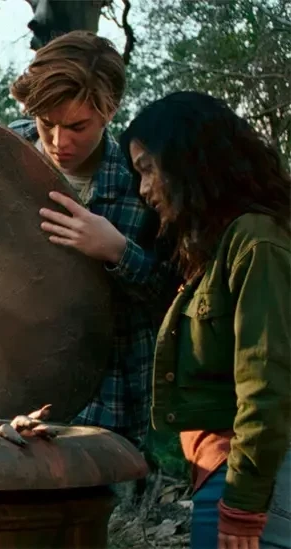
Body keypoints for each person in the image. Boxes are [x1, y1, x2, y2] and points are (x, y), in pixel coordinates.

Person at [119, 90, 291, 548]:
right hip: (224, 471)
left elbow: (267, 381)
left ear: (189, 160)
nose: (143, 190)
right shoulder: (218, 247)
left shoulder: (257, 241)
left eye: (148, 169)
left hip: (250, 477)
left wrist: (243, 505)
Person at [7, 30, 178, 450]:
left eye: (77, 126)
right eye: (47, 123)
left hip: (105, 407)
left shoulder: (142, 182)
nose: (59, 142)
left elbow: (176, 300)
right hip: (6, 391)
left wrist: (117, 252)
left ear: (109, 111)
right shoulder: (1, 153)